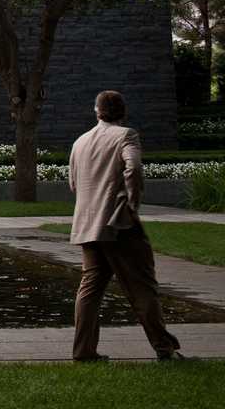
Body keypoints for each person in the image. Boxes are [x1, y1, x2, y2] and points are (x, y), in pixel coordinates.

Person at [69, 90, 182, 361]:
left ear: (96, 111)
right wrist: (133, 203)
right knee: (142, 285)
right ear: (123, 111)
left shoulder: (80, 141)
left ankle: (83, 351)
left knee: (90, 288)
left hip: (88, 224)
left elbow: (73, 183)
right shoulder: (126, 135)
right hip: (119, 223)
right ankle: (164, 348)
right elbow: (134, 168)